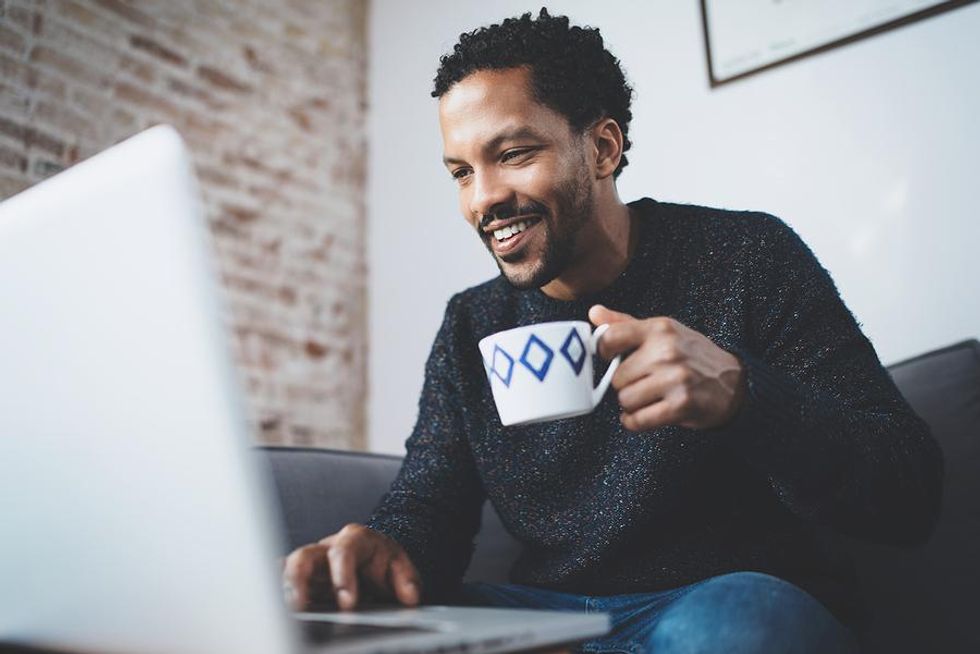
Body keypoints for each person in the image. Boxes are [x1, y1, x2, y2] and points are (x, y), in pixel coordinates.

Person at [282, 9, 943, 653]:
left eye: (511, 154)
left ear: (601, 148)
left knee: (738, 622)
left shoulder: (746, 257)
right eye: (461, 171)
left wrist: (745, 396)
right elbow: (430, 505)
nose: (482, 198)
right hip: (555, 621)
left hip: (718, 607)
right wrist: (383, 549)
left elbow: (908, 493)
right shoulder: (470, 325)